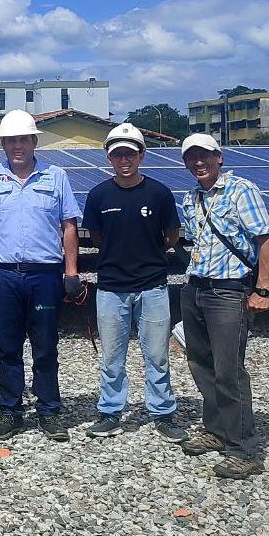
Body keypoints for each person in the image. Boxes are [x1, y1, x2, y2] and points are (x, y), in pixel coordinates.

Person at [0, 110, 83, 443]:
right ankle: (10, 411)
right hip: (4, 274)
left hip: (45, 275)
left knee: (46, 345)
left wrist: (71, 271)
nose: (18, 146)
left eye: (23, 139)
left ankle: (49, 411)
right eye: (11, 140)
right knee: (7, 345)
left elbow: (69, 225)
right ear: (3, 144)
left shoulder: (56, 176)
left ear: (34, 141)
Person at [177, 133, 269, 479]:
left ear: (219, 157)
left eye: (204, 155)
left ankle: (244, 449)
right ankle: (217, 431)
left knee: (229, 370)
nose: (198, 162)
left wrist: (262, 289)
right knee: (200, 363)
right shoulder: (191, 198)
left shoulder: (241, 190)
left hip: (228, 293)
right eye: (191, 157)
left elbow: (266, 239)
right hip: (195, 289)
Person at [82, 124, 187, 443]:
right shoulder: (99, 194)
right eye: (117, 154)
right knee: (112, 357)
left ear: (141, 155)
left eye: (130, 153)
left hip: (153, 286)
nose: (124, 159)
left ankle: (163, 413)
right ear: (109, 158)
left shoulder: (159, 193)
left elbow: (171, 236)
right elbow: (97, 237)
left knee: (156, 354)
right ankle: (111, 411)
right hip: (111, 288)